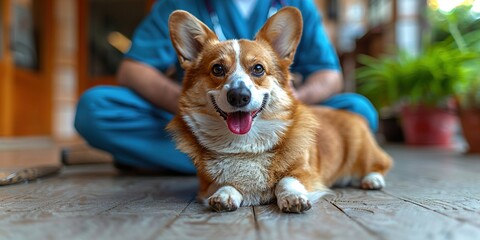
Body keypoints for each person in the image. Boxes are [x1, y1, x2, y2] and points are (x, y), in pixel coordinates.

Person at [74, 0, 378, 174]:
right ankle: (258, 171)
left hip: (275, 124)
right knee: (95, 108)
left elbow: (329, 75)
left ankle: (191, 164)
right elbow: (132, 69)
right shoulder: (181, 2)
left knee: (358, 112)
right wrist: (192, 105)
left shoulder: (295, 4)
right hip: (201, 121)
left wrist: (298, 97)